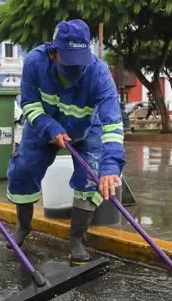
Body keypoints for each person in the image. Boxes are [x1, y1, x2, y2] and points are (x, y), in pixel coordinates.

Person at [7, 18, 126, 265]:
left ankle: (77, 240)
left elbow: (113, 123)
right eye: (69, 60)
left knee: (90, 178)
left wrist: (111, 166)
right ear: (54, 53)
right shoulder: (35, 62)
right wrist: (50, 128)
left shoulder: (98, 72)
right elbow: (29, 103)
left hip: (86, 128)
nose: (76, 67)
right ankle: (23, 226)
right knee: (23, 171)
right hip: (43, 125)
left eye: (80, 60)